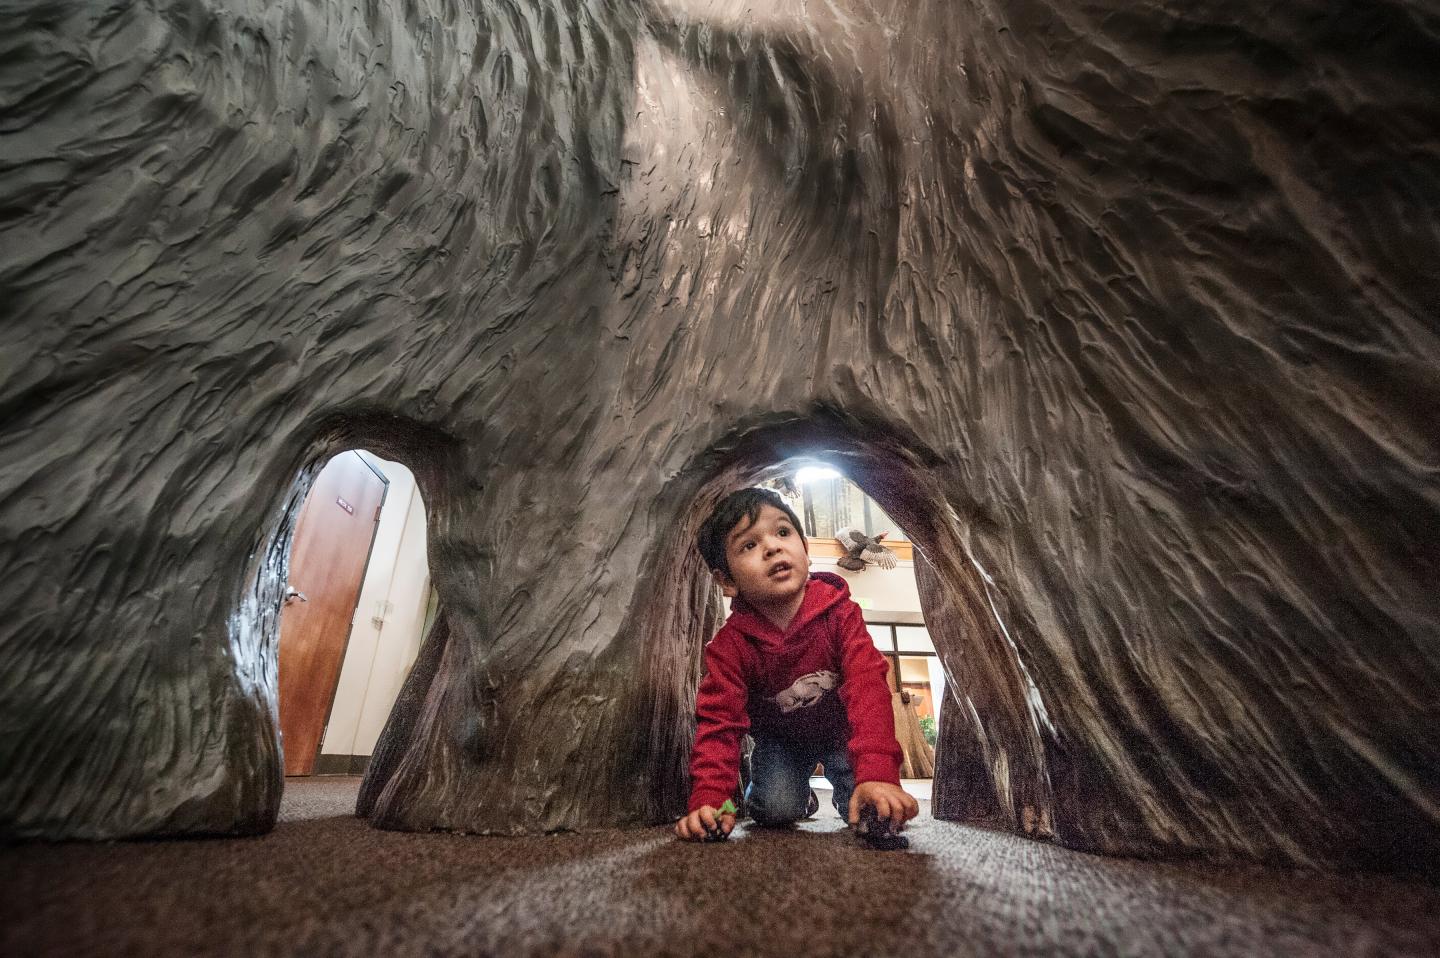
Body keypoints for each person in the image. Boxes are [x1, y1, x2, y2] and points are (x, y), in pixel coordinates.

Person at [675, 487, 920, 841]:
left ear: (805, 549)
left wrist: (878, 773)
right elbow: (719, 724)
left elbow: (868, 685)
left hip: (843, 733)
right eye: (748, 545)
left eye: (783, 532)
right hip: (781, 742)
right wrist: (712, 801)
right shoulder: (730, 647)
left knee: (874, 806)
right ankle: (788, 800)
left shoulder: (840, 614)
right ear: (726, 580)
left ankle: (850, 795)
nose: (773, 547)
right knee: (775, 810)